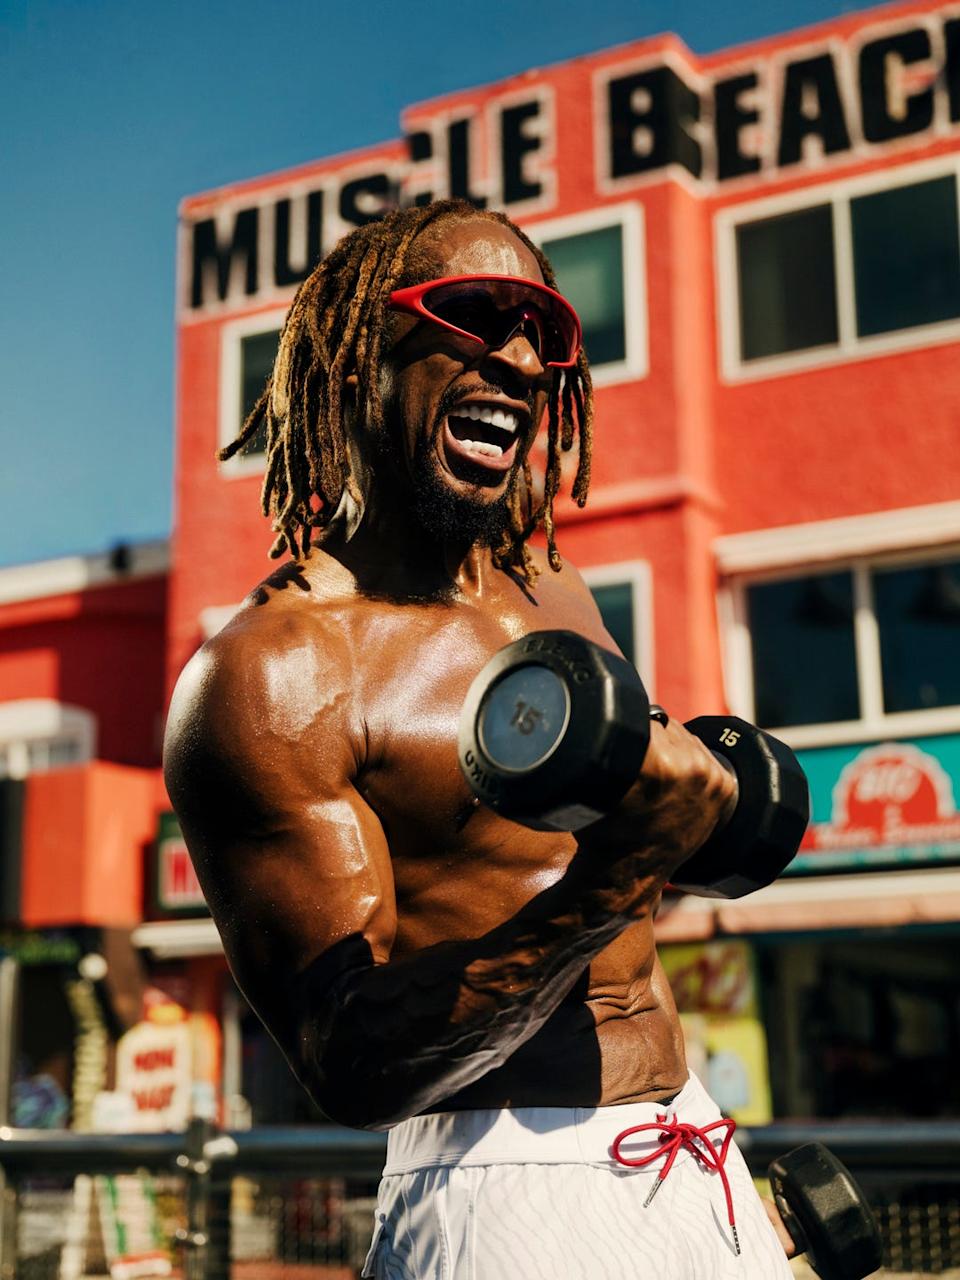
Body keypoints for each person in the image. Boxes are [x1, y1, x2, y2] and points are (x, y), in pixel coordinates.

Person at [163, 199, 795, 1278]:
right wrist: (619, 876)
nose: (520, 358)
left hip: (687, 1146)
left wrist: (695, 824)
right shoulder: (276, 673)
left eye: (543, 330)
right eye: (475, 313)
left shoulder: (550, 582)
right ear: (358, 355)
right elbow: (349, 1060)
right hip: (500, 1188)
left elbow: (595, 848)